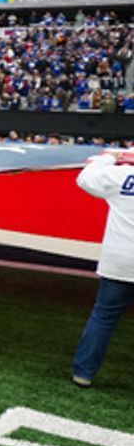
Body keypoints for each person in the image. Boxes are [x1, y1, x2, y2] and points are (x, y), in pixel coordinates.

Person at [70, 149, 134, 387]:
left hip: (120, 260)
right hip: (120, 260)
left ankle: (83, 373)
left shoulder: (121, 175)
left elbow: (84, 178)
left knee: (104, 317)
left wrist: (109, 157)